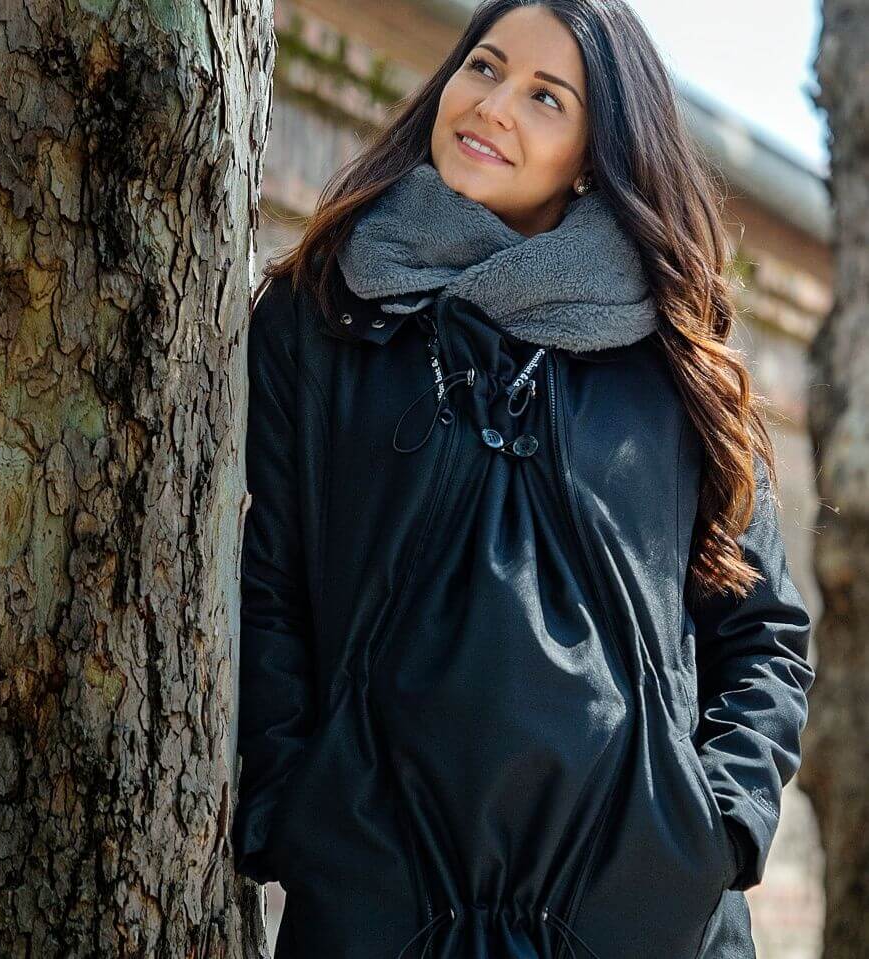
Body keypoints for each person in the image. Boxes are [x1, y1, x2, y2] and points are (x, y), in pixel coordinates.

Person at [230, 2, 815, 957]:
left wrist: (716, 831)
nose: (494, 105)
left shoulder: (676, 356)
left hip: (644, 923)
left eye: (547, 97)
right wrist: (294, 817)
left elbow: (762, 631)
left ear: (594, 151)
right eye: (484, 67)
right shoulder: (322, 312)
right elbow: (267, 586)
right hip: (381, 919)